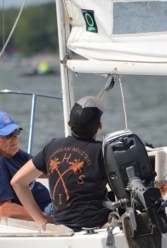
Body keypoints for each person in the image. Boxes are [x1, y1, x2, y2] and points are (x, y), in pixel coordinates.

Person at [11, 96, 110, 230]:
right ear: (99, 126)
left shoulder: (53, 146)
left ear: (69, 123)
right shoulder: (103, 151)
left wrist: (41, 219)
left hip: (63, 226)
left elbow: (17, 181)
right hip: (96, 225)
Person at [0, 111, 53, 220]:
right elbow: (5, 209)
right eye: (8, 135)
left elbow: (41, 169)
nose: (15, 137)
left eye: (16, 132)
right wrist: (46, 218)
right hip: (43, 210)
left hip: (47, 204)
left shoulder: (12, 153)